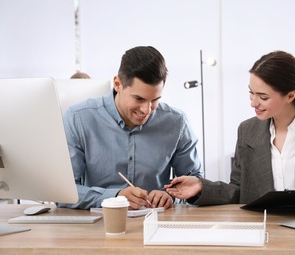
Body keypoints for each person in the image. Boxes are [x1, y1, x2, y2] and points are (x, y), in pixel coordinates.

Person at [165, 50, 295, 214]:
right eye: (251, 92)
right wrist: (201, 186)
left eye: (263, 96)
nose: (253, 102)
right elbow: (239, 189)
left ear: (290, 95)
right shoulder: (247, 131)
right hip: (262, 229)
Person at [58, 46, 203, 210]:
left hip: (156, 224)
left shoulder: (177, 123)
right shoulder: (78, 118)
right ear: (118, 84)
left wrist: (170, 195)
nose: (147, 110)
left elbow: (195, 182)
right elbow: (63, 193)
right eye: (139, 99)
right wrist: (115, 197)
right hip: (99, 225)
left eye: (154, 100)